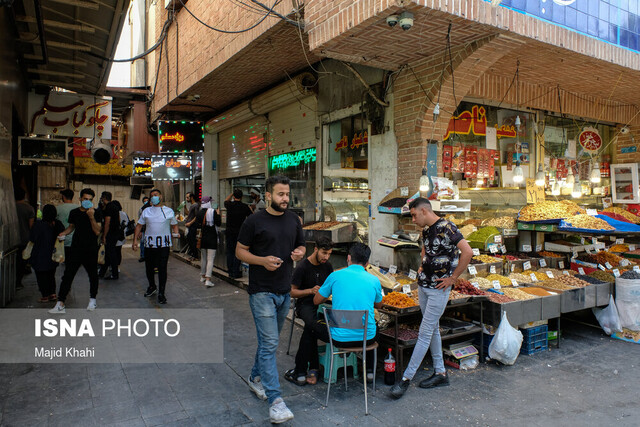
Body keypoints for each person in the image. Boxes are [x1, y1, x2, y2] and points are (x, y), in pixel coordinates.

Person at [236, 175, 305, 424]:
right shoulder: (253, 221)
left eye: (287, 194)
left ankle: (255, 378)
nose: (285, 199)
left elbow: (301, 246)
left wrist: (299, 252)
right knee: (269, 344)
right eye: (280, 194)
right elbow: (239, 251)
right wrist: (262, 260)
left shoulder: (294, 219)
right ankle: (276, 401)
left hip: (284, 291)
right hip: (261, 291)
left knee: (269, 342)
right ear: (268, 195)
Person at [390, 197, 473, 399]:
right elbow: (425, 248)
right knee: (432, 328)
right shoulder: (426, 230)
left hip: (438, 289)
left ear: (425, 210)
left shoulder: (448, 228)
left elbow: (467, 252)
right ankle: (440, 372)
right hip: (424, 286)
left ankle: (405, 379)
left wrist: (453, 278)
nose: (413, 219)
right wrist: (422, 265)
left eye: (414, 215)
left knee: (425, 332)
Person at [313, 243, 383, 382]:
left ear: (348, 258)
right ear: (367, 262)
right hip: (366, 339)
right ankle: (369, 370)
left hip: (339, 339)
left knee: (312, 328)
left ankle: (312, 368)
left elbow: (316, 301)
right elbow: (379, 305)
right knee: (375, 327)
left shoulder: (335, 276)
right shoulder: (374, 280)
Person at [284, 237, 334, 386]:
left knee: (310, 329)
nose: (326, 257)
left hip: (324, 304)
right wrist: (310, 291)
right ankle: (311, 368)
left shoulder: (328, 266)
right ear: (316, 249)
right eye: (324, 253)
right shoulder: (302, 267)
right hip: (305, 305)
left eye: (329, 253)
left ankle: (302, 371)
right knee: (312, 325)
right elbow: (292, 292)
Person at [49, 188, 102, 313]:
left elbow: (97, 231)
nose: (87, 201)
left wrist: (91, 217)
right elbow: (71, 227)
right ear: (80, 199)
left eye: (90, 200)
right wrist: (64, 233)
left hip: (91, 249)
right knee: (68, 276)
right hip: (76, 248)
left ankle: (92, 300)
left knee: (93, 276)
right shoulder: (74, 212)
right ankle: (60, 303)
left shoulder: (96, 213)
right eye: (85, 199)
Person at [132, 188, 178, 305]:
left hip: (164, 245)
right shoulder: (146, 211)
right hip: (149, 245)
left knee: (162, 269)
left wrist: (176, 234)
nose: (154, 197)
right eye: (152, 195)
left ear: (161, 197)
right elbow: (138, 226)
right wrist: (134, 241)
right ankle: (152, 286)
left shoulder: (168, 211)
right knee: (149, 268)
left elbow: (174, 225)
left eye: (156, 195)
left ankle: (162, 293)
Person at [29, 204, 65, 303]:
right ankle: (52, 294)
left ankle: (45, 295)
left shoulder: (39, 224)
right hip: (53, 254)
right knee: (51, 275)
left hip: (39, 254)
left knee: (41, 275)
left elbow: (32, 238)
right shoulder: (58, 224)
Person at [224, 189, 252, 278]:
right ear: (242, 197)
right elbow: (252, 217)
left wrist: (231, 193)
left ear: (233, 196)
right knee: (238, 252)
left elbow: (225, 200)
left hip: (229, 232)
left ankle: (230, 271)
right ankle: (236, 272)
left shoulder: (229, 205)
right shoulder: (245, 207)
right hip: (240, 233)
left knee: (230, 251)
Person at [196, 196, 221, 287]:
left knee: (203, 258)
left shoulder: (199, 213)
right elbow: (219, 223)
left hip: (203, 238)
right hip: (212, 238)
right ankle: (208, 279)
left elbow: (198, 225)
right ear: (208, 203)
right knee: (210, 259)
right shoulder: (213, 212)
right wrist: (218, 214)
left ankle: (202, 276)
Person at [15, 187, 35, 289]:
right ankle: (18, 282)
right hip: (24, 238)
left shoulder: (10, 206)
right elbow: (31, 226)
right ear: (24, 196)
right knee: (21, 261)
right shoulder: (29, 208)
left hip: (10, 238)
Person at [99, 192, 121, 280]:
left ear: (104, 198)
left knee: (111, 254)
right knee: (108, 254)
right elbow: (118, 219)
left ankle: (114, 274)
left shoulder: (108, 208)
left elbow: (107, 223)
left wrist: (104, 236)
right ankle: (102, 272)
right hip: (115, 233)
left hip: (110, 234)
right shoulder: (115, 206)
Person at [56, 189, 76, 262]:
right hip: (74, 240)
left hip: (62, 239)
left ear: (63, 197)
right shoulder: (78, 208)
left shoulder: (58, 209)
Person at [184, 191, 200, 260]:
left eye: (188, 197)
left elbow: (197, 216)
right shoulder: (191, 205)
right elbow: (189, 213)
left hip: (192, 226)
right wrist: (184, 207)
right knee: (189, 240)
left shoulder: (195, 205)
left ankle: (195, 256)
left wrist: (190, 223)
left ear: (192, 197)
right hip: (189, 225)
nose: (187, 199)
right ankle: (192, 254)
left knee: (192, 240)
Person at [138, 196, 150, 262]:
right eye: (145, 201)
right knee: (142, 242)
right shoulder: (141, 209)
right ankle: (143, 256)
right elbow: (139, 221)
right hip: (143, 229)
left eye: (147, 201)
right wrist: (140, 231)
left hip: (150, 229)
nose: (146, 202)